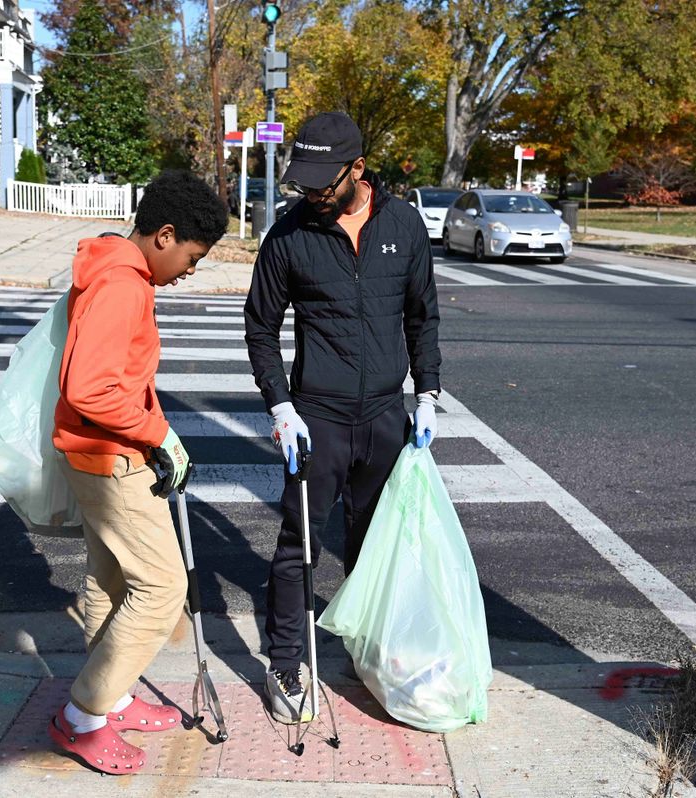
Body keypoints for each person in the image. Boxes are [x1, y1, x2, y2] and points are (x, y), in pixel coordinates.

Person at [244, 112, 442, 724]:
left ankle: (369, 650)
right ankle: (286, 661)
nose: (310, 194)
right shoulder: (290, 234)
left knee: (376, 544)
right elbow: (260, 327)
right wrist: (280, 405)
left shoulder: (404, 225)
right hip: (318, 417)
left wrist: (428, 394)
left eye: (320, 184)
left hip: (386, 414)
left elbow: (423, 317)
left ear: (357, 169)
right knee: (298, 543)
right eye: (302, 183)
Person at [50, 170, 228, 773]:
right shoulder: (124, 285)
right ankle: (82, 717)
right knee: (159, 589)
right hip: (109, 459)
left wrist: (151, 425)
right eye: (193, 258)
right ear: (166, 235)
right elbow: (89, 387)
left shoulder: (114, 270)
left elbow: (112, 378)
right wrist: (158, 434)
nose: (191, 271)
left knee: (111, 580)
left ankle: (111, 701)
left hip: (95, 452)